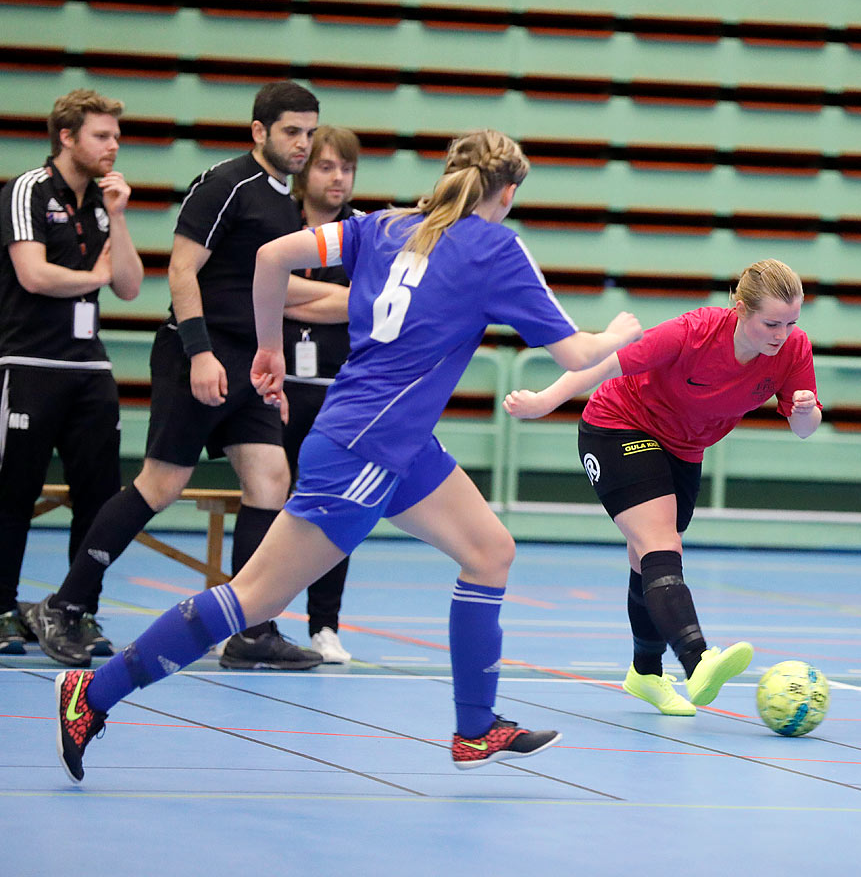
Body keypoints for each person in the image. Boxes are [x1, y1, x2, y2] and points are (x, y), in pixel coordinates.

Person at [50, 128, 642, 782]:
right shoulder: (495, 248)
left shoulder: (382, 226)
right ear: (505, 193)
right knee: (253, 598)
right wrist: (621, 331)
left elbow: (273, 256)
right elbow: (579, 357)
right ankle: (91, 696)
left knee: (489, 551)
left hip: (400, 444)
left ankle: (476, 729)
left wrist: (269, 347)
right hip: (363, 450)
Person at [26, 81, 337, 671]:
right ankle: (65, 605)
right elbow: (182, 270)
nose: (303, 144)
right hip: (195, 354)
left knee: (271, 481)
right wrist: (199, 353)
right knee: (161, 485)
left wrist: (364, 300)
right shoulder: (225, 184)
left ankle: (251, 629)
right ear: (259, 132)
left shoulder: (281, 202)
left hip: (247, 366)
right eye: (292, 132)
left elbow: (282, 293)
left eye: (309, 132)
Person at [504, 260, 821, 716]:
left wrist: (805, 409)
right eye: (771, 323)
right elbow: (605, 362)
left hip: (685, 450)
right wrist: (543, 402)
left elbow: (804, 430)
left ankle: (646, 674)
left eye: (791, 323)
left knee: (647, 558)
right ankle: (698, 661)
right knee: (660, 542)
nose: (781, 333)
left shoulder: (793, 349)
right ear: (740, 309)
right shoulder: (693, 331)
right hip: (619, 424)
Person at [0, 89, 144, 657]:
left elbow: (129, 286)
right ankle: (4, 606)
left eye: (115, 136)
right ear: (67, 137)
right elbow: (33, 275)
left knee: (98, 496)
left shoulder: (106, 202)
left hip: (89, 366)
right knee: (14, 491)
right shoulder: (26, 191)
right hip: (29, 361)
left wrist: (122, 218)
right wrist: (94, 276)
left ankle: (76, 610)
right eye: (101, 136)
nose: (113, 146)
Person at [281, 126, 362, 664]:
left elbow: (366, 303)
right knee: (273, 501)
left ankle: (324, 623)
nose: (338, 178)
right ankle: (255, 620)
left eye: (347, 169)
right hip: (277, 387)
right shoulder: (277, 223)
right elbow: (258, 289)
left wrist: (293, 297)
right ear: (304, 170)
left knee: (338, 507)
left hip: (339, 389)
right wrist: (335, 297)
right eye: (327, 167)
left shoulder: (361, 233)